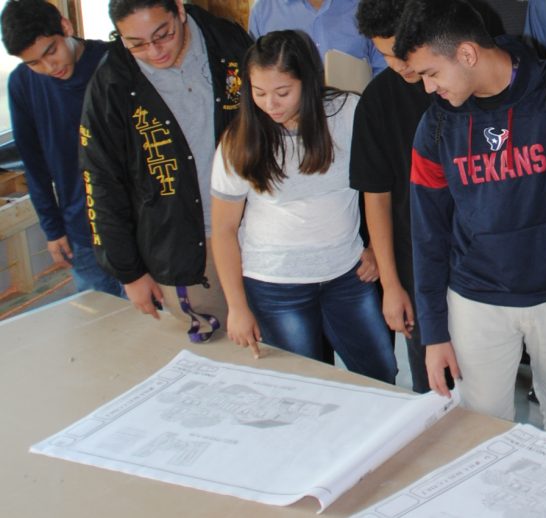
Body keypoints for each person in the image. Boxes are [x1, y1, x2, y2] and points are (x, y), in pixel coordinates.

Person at [393, 0, 546, 434]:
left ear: (467, 54)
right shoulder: (434, 128)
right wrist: (433, 335)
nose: (428, 89)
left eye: (431, 73)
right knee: (479, 427)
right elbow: (427, 236)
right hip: (475, 298)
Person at [209, 30, 397, 382]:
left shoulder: (348, 114)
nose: (271, 104)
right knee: (302, 381)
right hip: (275, 284)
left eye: (283, 92)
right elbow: (222, 230)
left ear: (308, 82)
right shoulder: (240, 141)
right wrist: (236, 307)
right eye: (259, 93)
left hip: (348, 275)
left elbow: (382, 189)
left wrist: (375, 249)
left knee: (380, 373)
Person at [80, 0, 253, 341]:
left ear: (179, 10)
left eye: (163, 35)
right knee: (224, 354)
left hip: (262, 227)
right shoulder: (112, 83)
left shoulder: (227, 42)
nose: (155, 51)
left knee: (289, 346)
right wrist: (129, 273)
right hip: (189, 244)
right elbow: (101, 180)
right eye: (137, 44)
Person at [2, 0, 121, 297]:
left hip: (133, 227)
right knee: (103, 327)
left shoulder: (114, 64)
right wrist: (52, 229)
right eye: (33, 63)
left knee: (154, 325)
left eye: (51, 51)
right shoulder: (22, 83)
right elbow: (34, 164)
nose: (48, 67)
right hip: (80, 232)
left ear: (65, 27)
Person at [350, 0, 431, 392]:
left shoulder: (460, 83)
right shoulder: (378, 100)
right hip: (413, 261)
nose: (401, 64)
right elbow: (376, 197)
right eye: (387, 55)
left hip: (480, 262)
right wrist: (392, 286)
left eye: (405, 50)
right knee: (432, 385)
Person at [248, 0, 387, 76]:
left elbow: (384, 69)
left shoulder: (365, 4)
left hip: (356, 117)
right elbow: (255, 74)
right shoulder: (263, 11)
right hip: (286, 125)